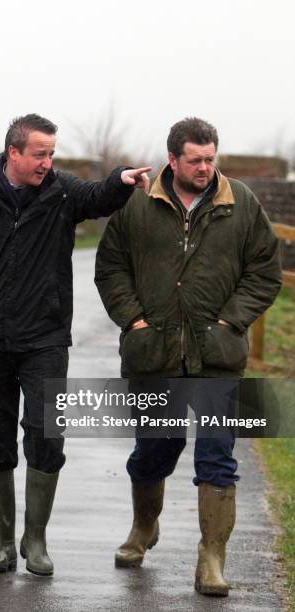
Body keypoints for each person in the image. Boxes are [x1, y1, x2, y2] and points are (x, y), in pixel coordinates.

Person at [0, 113, 150, 575]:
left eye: (52, 153)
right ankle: (1, 543)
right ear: (13, 153)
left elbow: (98, 197)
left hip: (45, 337)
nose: (47, 162)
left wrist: (121, 180)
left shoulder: (60, 192)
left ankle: (35, 540)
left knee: (46, 434)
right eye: (39, 154)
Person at [95, 117, 281, 597]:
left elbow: (265, 271)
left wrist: (230, 322)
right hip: (153, 354)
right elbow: (111, 267)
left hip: (217, 355)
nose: (205, 167)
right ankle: (143, 527)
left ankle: (212, 557)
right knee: (154, 450)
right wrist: (134, 321)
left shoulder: (240, 202)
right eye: (195, 159)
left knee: (218, 455)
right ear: (172, 159)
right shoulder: (137, 203)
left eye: (210, 158)